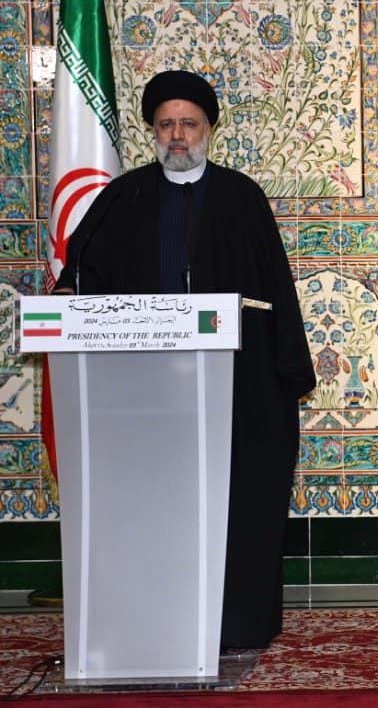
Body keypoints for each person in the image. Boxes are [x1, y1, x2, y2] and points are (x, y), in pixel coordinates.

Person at [56, 70, 316, 650]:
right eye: (167, 124)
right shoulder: (123, 197)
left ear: (209, 130)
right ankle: (150, 619)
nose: (177, 135)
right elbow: (81, 275)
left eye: (188, 124)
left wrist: (286, 368)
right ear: (153, 130)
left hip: (234, 383)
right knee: (153, 502)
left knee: (239, 498)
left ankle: (235, 626)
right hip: (144, 388)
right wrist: (69, 292)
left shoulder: (242, 197)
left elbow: (275, 285)